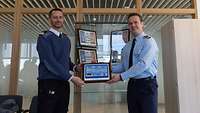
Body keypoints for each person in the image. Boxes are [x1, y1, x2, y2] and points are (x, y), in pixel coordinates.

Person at [107, 13, 159, 113]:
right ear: (128, 26)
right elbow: (124, 66)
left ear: (142, 24)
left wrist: (121, 77)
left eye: (136, 22)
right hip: (132, 85)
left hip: (146, 85)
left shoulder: (149, 41)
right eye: (130, 23)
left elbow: (143, 64)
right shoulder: (127, 46)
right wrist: (108, 69)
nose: (133, 25)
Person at [36, 8, 85, 113]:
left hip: (63, 82)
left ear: (63, 19)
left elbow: (65, 59)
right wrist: (71, 77)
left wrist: (75, 67)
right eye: (55, 17)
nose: (58, 20)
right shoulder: (44, 38)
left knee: (62, 110)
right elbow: (49, 61)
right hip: (49, 82)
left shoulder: (66, 39)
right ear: (49, 20)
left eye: (60, 17)